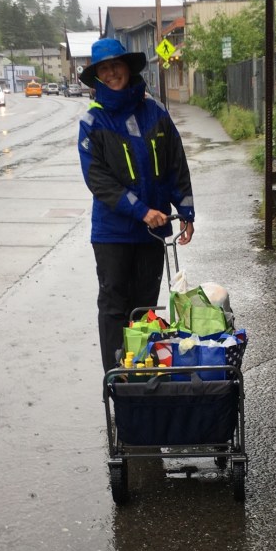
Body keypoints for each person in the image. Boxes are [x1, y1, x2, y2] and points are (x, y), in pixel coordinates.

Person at [78, 38, 195, 371]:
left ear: (128, 67)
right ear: (97, 77)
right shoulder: (93, 123)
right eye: (104, 69)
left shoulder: (155, 113)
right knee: (114, 307)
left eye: (116, 65)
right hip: (112, 234)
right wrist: (141, 211)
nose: (112, 73)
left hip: (152, 234)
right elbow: (98, 180)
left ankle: (142, 373)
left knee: (145, 307)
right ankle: (117, 378)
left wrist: (186, 211)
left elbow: (175, 163)